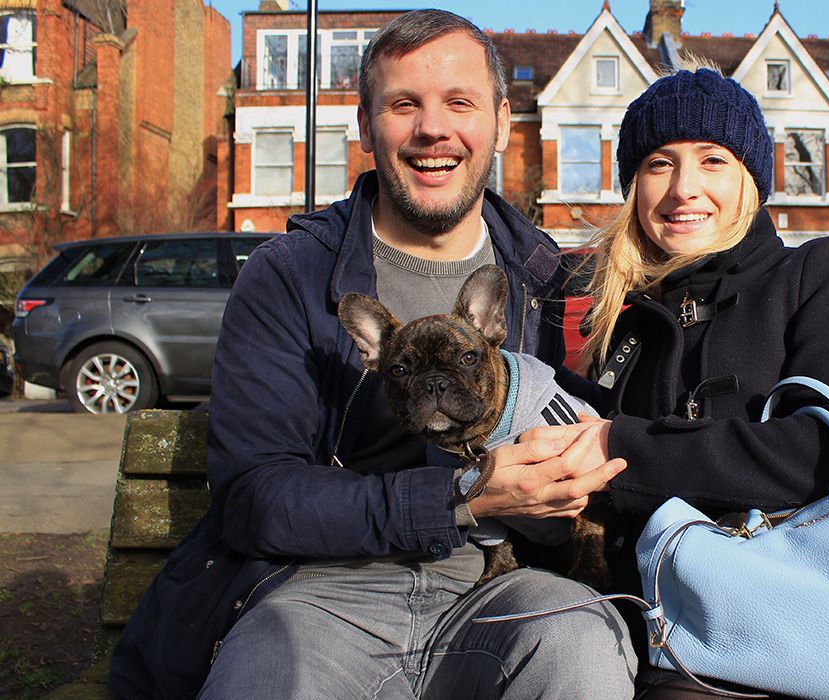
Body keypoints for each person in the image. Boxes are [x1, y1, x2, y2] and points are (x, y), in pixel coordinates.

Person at [107, 10, 635, 700]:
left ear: (503, 123)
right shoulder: (291, 275)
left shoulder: (552, 280)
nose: (433, 129)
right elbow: (256, 498)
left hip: (501, 586)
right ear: (365, 126)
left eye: (459, 103)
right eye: (403, 104)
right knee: (268, 674)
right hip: (324, 591)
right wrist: (461, 498)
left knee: (580, 647)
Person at [563, 61, 829, 696]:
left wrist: (621, 447)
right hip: (637, 627)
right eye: (659, 164)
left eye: (712, 160)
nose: (683, 188)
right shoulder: (622, 316)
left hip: (781, 629)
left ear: (751, 178)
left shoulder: (819, 273)